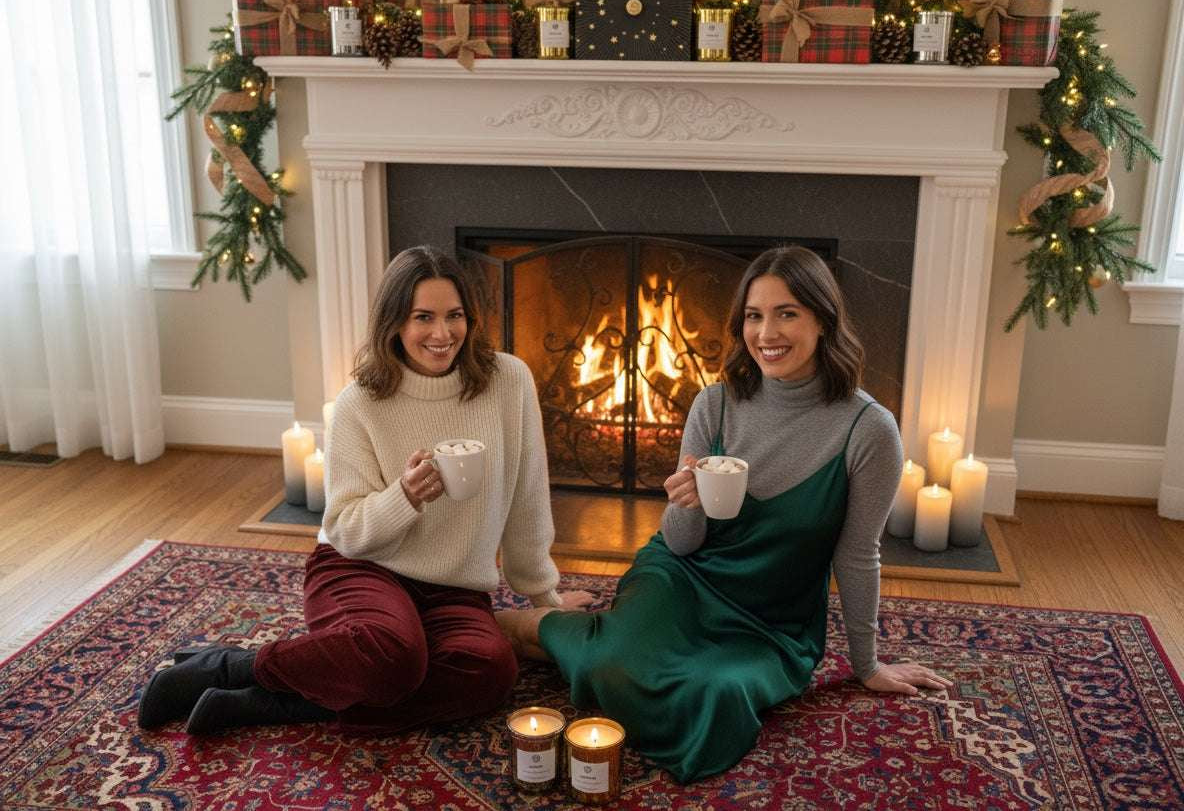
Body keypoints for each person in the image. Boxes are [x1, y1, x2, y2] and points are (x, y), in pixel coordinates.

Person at [497, 245, 952, 783]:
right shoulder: (714, 403)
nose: (767, 333)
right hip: (681, 578)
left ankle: (580, 632)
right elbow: (683, 544)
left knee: (714, 698)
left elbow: (857, 555)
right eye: (754, 316)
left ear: (823, 321)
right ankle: (525, 625)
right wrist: (682, 504)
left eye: (787, 313)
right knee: (610, 666)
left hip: (771, 618)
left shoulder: (869, 429)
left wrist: (867, 664)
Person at [138, 245, 589, 735]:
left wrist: (544, 595)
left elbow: (527, 498)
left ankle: (270, 704)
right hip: (361, 567)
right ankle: (225, 667)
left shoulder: (508, 381)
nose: (442, 334)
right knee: (391, 656)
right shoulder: (360, 402)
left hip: (455, 588)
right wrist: (405, 497)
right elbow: (345, 529)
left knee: (489, 673)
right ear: (395, 321)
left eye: (454, 315)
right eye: (424, 317)